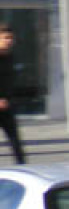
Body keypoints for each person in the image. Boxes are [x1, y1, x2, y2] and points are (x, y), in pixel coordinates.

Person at [0, 25, 27, 165]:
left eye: (11, 38)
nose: (9, 41)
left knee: (15, 140)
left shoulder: (10, 57)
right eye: (5, 38)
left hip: (7, 106)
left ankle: (23, 167)